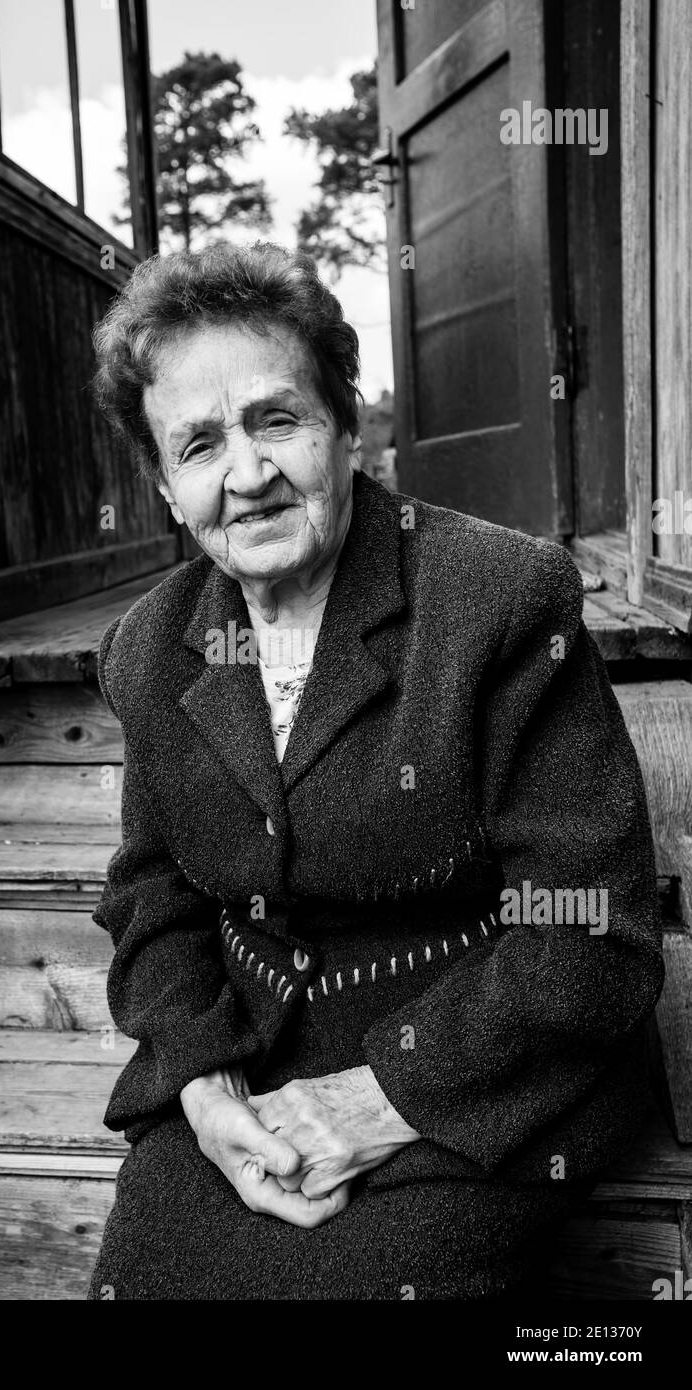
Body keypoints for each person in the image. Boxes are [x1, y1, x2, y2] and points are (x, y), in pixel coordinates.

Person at [86, 242, 663, 1300]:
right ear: (168, 487)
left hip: (488, 1062)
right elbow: (152, 894)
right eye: (200, 443)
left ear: (346, 429)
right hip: (258, 1058)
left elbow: (587, 928)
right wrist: (204, 1085)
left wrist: (380, 1096)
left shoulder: (492, 598)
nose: (247, 473)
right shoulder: (148, 649)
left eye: (277, 418)